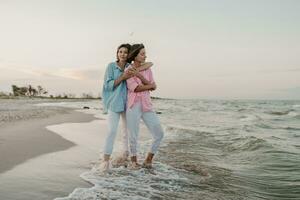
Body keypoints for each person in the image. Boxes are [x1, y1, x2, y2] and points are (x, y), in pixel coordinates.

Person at [100, 43, 152, 171]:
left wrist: (136, 71)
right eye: (120, 52)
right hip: (114, 103)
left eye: (125, 52)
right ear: (117, 53)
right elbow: (108, 86)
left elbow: (150, 64)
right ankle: (105, 160)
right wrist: (123, 76)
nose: (122, 54)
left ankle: (126, 155)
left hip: (128, 104)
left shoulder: (130, 66)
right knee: (112, 131)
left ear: (129, 55)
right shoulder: (111, 66)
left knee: (127, 133)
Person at [125, 44, 164, 169]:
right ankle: (134, 162)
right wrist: (150, 86)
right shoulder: (128, 70)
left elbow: (154, 86)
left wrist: (141, 76)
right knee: (133, 135)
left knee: (159, 134)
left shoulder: (148, 69)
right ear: (135, 56)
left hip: (147, 105)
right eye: (142, 53)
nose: (145, 55)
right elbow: (135, 88)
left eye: (145, 53)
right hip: (133, 105)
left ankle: (148, 160)